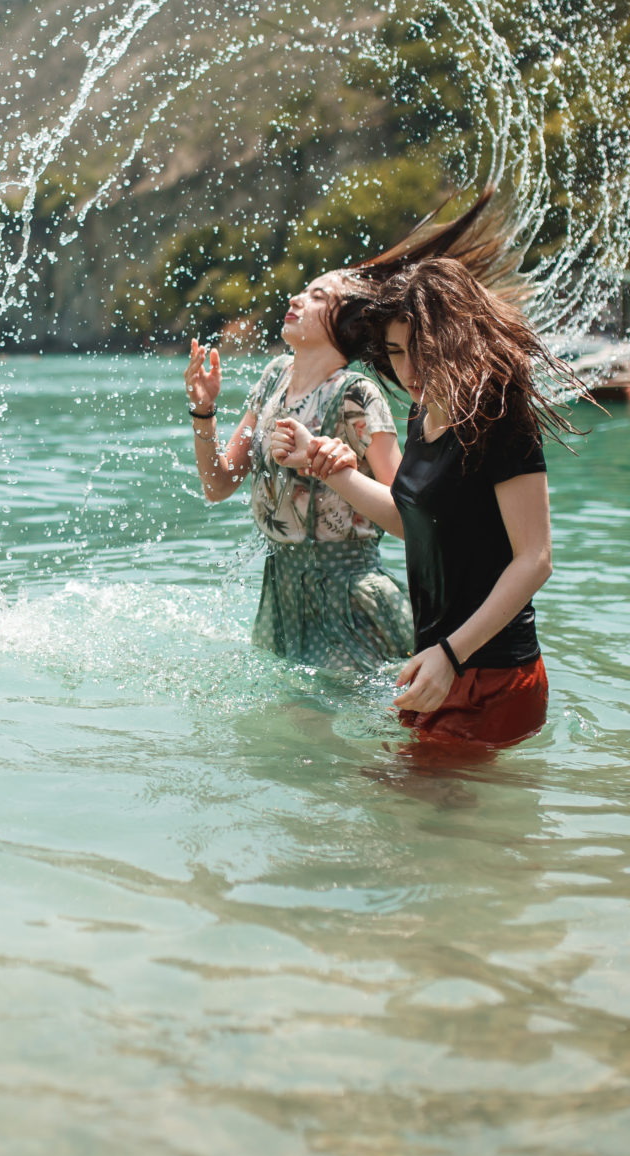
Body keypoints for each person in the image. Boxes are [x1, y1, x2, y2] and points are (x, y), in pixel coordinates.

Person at [273, 187, 574, 747]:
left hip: (493, 676)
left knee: (406, 817)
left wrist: (451, 655)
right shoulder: (419, 414)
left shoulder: (499, 416)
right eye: (394, 350)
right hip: (437, 667)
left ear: (453, 339)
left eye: (420, 348)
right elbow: (412, 521)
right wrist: (329, 467)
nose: (407, 368)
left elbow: (536, 559)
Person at [183, 273, 413, 672]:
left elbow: (408, 518)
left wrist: (326, 467)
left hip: (348, 600)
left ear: (346, 325)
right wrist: (204, 412)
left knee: (332, 725)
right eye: (303, 289)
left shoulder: (357, 395)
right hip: (280, 595)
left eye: (317, 296)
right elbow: (218, 486)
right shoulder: (276, 375)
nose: (296, 297)